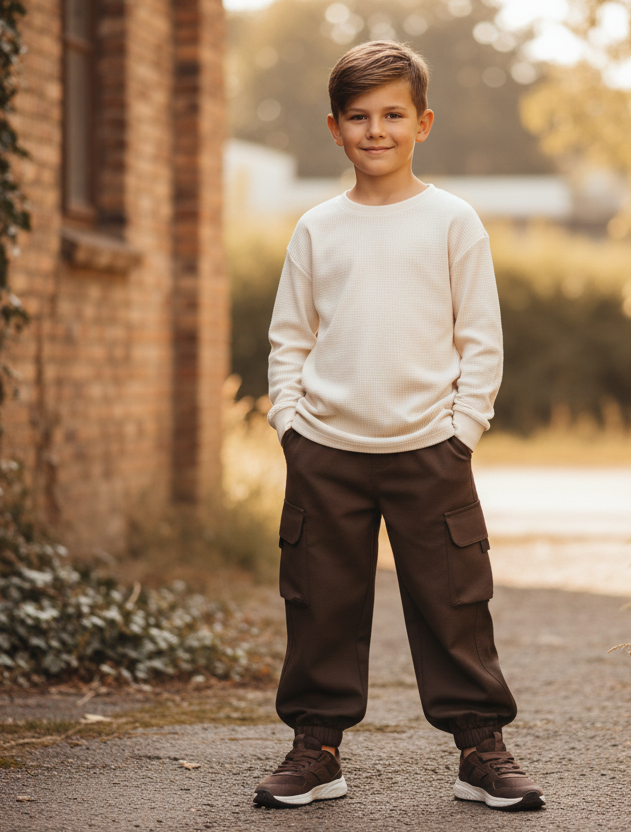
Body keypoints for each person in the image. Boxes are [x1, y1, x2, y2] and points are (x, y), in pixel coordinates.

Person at [253, 40, 544, 812]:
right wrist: (291, 425)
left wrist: (462, 434)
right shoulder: (317, 228)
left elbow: (480, 340)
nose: (375, 130)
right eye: (359, 117)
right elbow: (290, 338)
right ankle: (315, 750)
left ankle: (481, 750)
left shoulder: (453, 221)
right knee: (319, 603)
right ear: (334, 127)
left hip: (430, 452)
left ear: (424, 123)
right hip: (326, 452)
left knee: (455, 606)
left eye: (392, 114)